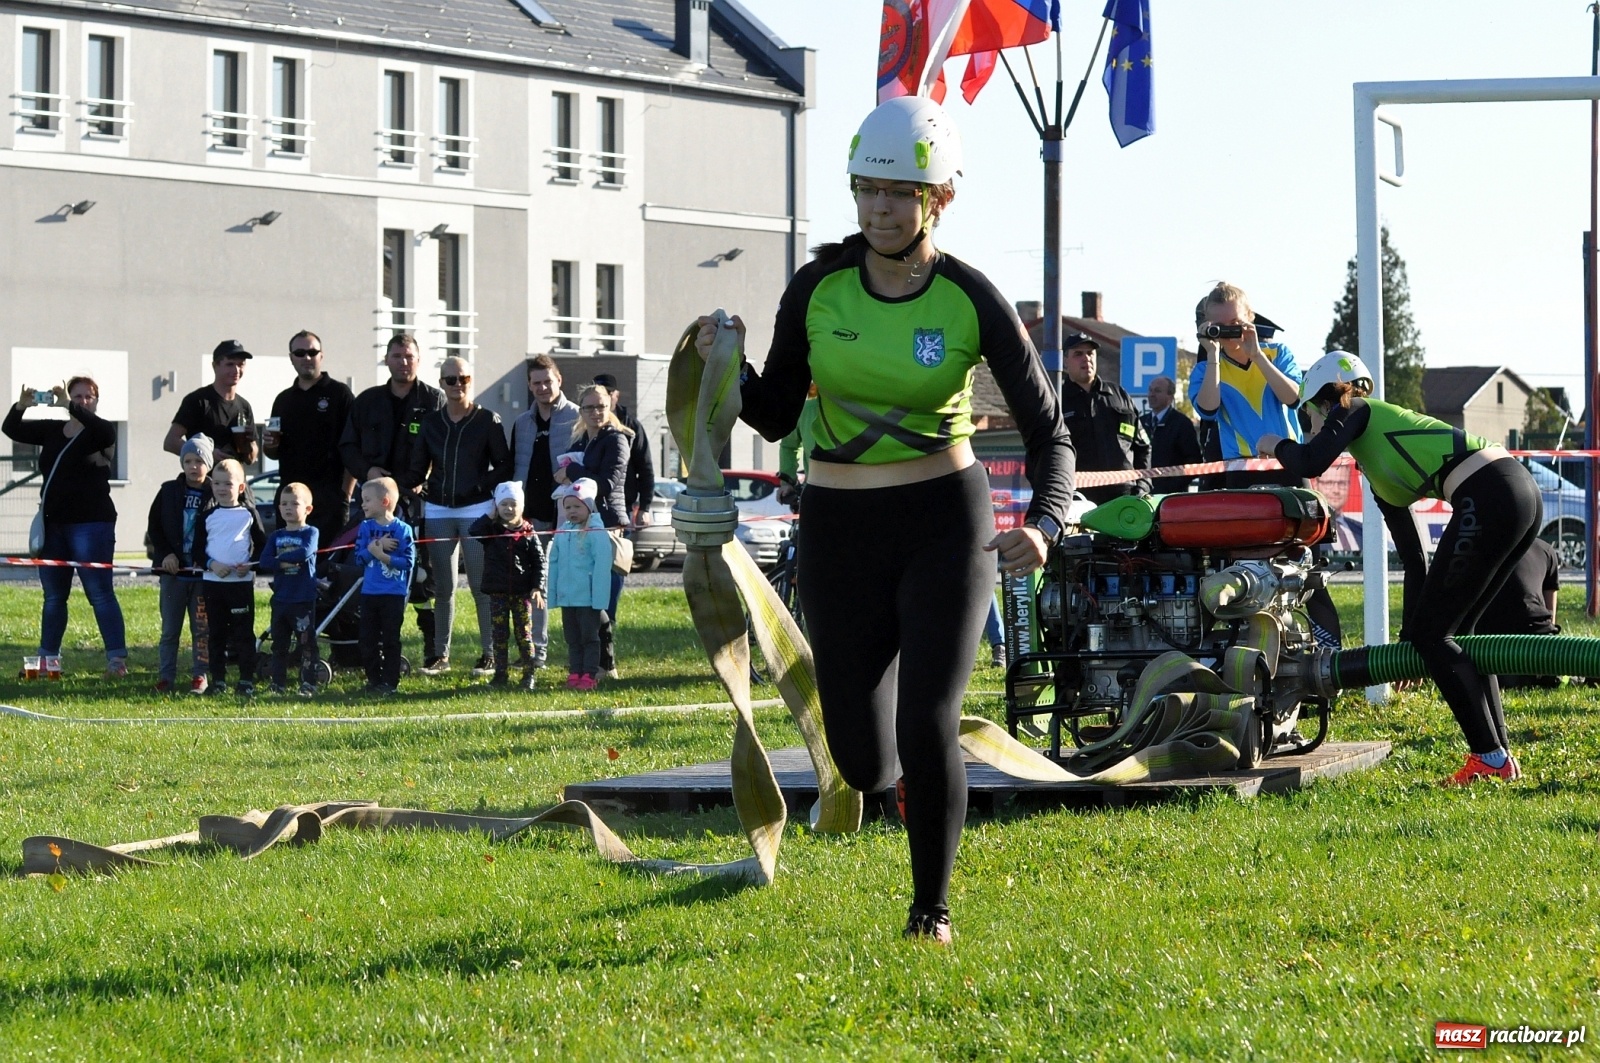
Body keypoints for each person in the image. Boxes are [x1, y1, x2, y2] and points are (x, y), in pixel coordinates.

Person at [695, 96, 1075, 943]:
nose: (880, 209)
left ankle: (929, 909)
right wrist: (729, 363)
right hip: (840, 527)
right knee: (864, 761)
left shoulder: (971, 297)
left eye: (901, 193)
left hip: (947, 522)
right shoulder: (817, 288)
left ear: (939, 199)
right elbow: (775, 413)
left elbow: (1050, 432)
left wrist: (1044, 524)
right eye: (868, 189)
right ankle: (898, 766)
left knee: (928, 719)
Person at [1261, 351, 1543, 785]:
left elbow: (1309, 463)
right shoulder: (1375, 463)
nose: (1309, 426)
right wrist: (1411, 639)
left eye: (1306, 415)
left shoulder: (1355, 408)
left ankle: (1490, 758)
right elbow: (1413, 559)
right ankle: (1498, 759)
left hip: (1493, 490)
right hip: (1511, 489)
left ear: (1322, 401)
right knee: (1458, 634)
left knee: (1438, 635)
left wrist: (1274, 445)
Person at [4, 377, 128, 677]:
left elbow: (101, 429)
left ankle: (116, 661)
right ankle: (47, 660)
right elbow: (12, 429)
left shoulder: (101, 431)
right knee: (54, 597)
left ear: (96, 400)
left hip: (92, 525)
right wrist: (21, 407)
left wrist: (70, 406)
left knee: (100, 594)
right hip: (54, 525)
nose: (83, 401)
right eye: (77, 396)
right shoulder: (53, 429)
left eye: (88, 397)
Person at [339, 334, 445, 660]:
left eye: (409, 356)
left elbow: (443, 448)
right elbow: (347, 446)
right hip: (375, 504)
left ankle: (431, 643)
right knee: (370, 564)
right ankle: (364, 640)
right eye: (397, 356)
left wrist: (424, 477)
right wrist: (368, 471)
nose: (403, 362)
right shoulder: (367, 401)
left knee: (422, 574)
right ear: (386, 359)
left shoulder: (434, 400)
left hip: (416, 500)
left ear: (418, 360)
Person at [404, 355, 510, 676]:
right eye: (450, 379)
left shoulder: (487, 420)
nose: (457, 385)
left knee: (481, 585)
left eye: (463, 379)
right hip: (438, 510)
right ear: (441, 384)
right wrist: (405, 487)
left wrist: (480, 487)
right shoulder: (431, 423)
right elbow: (417, 467)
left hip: (477, 510)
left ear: (470, 381)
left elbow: (503, 465)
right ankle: (440, 655)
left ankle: (490, 654)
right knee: (443, 587)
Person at [1188, 283, 1302, 488]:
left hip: (1288, 459)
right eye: (1220, 327)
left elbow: (1294, 399)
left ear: (1250, 317)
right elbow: (1208, 411)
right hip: (1241, 467)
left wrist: (1257, 355)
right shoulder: (1206, 370)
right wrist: (1212, 354)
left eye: (1235, 324)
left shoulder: (1278, 354)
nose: (1229, 332)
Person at [555, 382, 632, 679]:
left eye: (601, 406)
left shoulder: (617, 440)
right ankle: (591, 663)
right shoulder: (579, 440)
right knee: (584, 599)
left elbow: (606, 484)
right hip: (581, 527)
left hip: (608, 525)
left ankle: (605, 664)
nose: (596, 412)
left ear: (609, 406)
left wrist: (571, 472)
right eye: (589, 407)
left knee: (603, 599)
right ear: (581, 410)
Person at [510, 355, 581, 669]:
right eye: (536, 383)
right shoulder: (522, 423)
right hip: (531, 516)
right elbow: (515, 467)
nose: (542, 388)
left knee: (571, 583)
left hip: (569, 514)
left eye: (547, 381)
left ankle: (583, 655)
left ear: (559, 380)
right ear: (529, 385)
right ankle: (535, 652)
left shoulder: (577, 416)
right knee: (534, 583)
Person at [263, 330, 355, 547]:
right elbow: (273, 453)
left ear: (321, 355)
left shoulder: (340, 394)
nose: (306, 358)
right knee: (289, 559)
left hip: (330, 497)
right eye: (300, 353)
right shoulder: (283, 399)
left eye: (312, 352)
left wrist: (345, 493)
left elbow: (353, 445)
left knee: (327, 561)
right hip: (291, 497)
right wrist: (270, 445)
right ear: (291, 358)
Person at [146, 433, 215, 694]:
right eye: (188, 461)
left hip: (202, 577)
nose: (193, 466)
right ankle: (166, 677)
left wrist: (205, 558)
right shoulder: (168, 492)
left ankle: (200, 676)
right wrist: (165, 554)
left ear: (208, 464)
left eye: (199, 461)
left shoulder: (216, 492)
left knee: (202, 630)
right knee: (169, 630)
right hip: (173, 575)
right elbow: (155, 527)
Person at [193, 457, 265, 696]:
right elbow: (197, 550)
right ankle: (218, 681)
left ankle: (246, 680)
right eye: (217, 483)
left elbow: (262, 547)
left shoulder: (249, 514)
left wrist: (250, 565)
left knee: (243, 634)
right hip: (213, 585)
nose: (222, 489)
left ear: (241, 487)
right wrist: (212, 564)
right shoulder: (206, 516)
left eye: (228, 484)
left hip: (240, 585)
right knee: (216, 634)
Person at [469, 481, 546, 690]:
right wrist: (489, 515)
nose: (508, 508)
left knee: (524, 635)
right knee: (499, 635)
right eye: (503, 504)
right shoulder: (491, 531)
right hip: (498, 593)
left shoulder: (528, 532)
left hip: (521, 594)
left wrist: (537, 587)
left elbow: (540, 562)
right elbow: (473, 531)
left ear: (522, 506)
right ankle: (500, 674)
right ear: (496, 507)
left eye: (513, 504)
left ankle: (528, 675)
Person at [1059, 332, 1150, 504]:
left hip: (1124, 496)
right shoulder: (1057, 400)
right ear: (1065, 361)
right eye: (1078, 354)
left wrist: (1143, 485)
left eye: (1090, 353)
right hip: (1078, 498)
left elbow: (1142, 447)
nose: (1086, 358)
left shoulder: (1119, 395)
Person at [546, 478, 612, 691]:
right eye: (568, 507)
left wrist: (599, 599)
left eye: (577, 506)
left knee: (589, 638)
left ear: (589, 507)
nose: (572, 511)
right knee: (572, 638)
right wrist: (553, 594)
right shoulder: (563, 532)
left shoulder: (596, 532)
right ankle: (575, 672)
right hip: (568, 599)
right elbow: (554, 563)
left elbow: (602, 566)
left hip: (587, 599)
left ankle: (590, 674)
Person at [257, 482, 320, 697]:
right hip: (281, 599)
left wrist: (280, 559)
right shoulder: (276, 536)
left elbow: (304, 553)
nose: (288, 508)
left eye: (294, 504)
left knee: (306, 643)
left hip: (302, 599)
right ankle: (278, 684)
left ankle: (309, 683)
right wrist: (283, 563)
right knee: (279, 645)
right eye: (284, 504)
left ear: (308, 509)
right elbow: (264, 561)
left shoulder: (311, 532)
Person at [353, 477, 415, 694]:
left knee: (390, 639)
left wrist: (384, 556)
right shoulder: (365, 527)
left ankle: (390, 682)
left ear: (385, 502)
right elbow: (358, 558)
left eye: (367, 500)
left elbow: (408, 562)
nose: (363, 504)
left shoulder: (403, 530)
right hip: (369, 593)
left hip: (393, 594)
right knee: (367, 639)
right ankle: (373, 680)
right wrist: (375, 547)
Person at [1475, 536, 1562, 689]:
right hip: (1537, 639)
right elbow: (1550, 613)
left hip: (1491, 644)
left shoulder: (1479, 546)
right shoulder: (1545, 550)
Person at [165, 339, 259, 466]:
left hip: (235, 476)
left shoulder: (244, 406)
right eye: (230, 364)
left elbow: (251, 459)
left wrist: (249, 444)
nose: (236, 370)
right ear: (215, 366)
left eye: (241, 364)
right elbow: (170, 442)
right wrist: (206, 453)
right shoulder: (197, 400)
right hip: (204, 477)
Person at [591, 373, 656, 527]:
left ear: (616, 395)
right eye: (599, 392)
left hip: (621, 506)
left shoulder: (631, 427)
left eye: (608, 392)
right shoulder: (585, 425)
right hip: (588, 504)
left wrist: (644, 507)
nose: (604, 397)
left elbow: (645, 468)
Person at [1141, 375, 1202, 494]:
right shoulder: (1141, 422)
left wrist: (1172, 486)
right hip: (1143, 492)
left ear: (1170, 397)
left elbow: (1193, 461)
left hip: (1171, 495)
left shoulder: (1181, 424)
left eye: (1157, 391)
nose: (1151, 394)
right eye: (1150, 390)